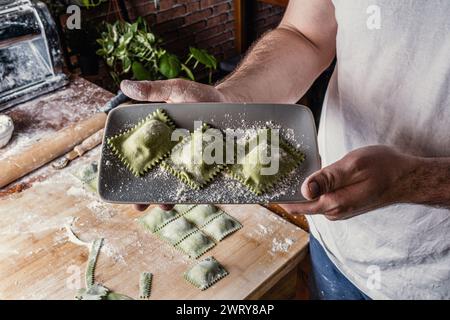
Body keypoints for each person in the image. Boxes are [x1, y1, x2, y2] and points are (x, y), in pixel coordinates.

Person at [120, 0, 450, 299]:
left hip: (435, 276)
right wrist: (230, 103)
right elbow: (306, 34)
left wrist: (414, 180)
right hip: (336, 241)